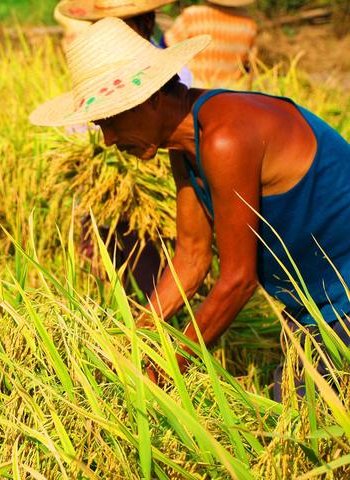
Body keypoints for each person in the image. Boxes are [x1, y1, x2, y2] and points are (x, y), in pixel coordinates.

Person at [30, 18, 350, 396]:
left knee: (302, 418)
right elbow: (192, 259)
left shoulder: (225, 139)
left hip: (341, 299)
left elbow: (237, 280)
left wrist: (164, 370)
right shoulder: (186, 146)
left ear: (150, 99)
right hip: (314, 306)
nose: (110, 139)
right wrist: (134, 339)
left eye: (112, 120)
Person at [54, 0, 192, 298]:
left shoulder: (170, 73)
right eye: (100, 26)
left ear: (146, 23)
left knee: (154, 282)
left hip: (154, 210)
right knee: (105, 286)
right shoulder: (93, 70)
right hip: (103, 201)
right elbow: (80, 128)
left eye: (119, 24)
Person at [164, 0, 257, 87]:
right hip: (229, 92)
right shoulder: (249, 24)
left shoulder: (193, 15)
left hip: (193, 90)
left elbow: (168, 45)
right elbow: (251, 63)